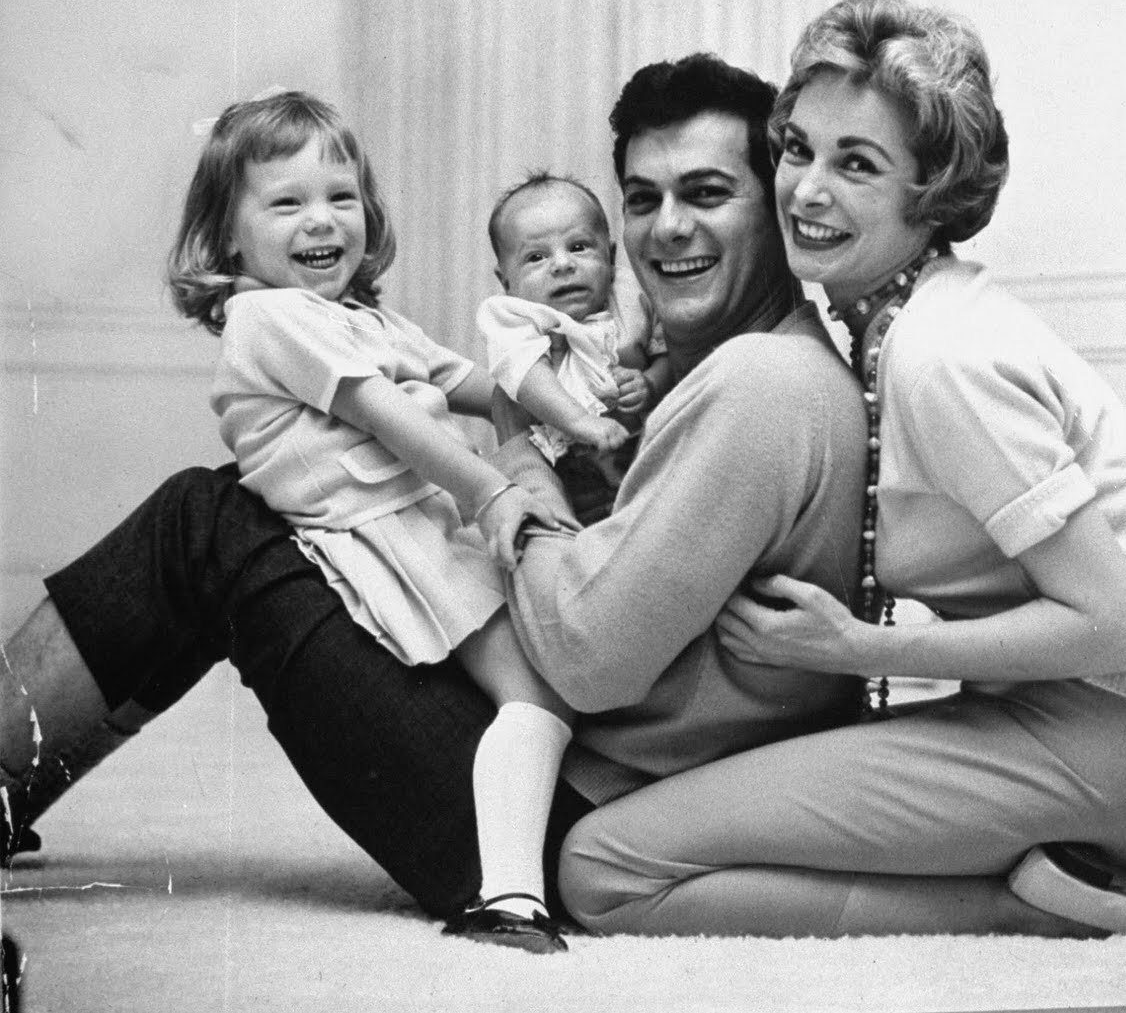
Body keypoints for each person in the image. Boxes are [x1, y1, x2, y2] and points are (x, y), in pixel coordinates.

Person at [0, 55, 866, 935]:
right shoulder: (725, 365)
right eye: (641, 201)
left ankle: (4, 773)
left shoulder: (761, 387)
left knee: (206, 522)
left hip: (547, 803)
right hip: (573, 758)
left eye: (709, 193)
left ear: (779, 200)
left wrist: (516, 462)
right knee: (247, 511)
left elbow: (586, 649)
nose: (667, 229)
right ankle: (10, 785)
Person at [551, 0, 1126, 938]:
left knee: (604, 867)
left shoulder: (940, 356)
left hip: (1122, 738)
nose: (806, 191)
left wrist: (859, 650)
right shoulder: (898, 321)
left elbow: (1116, 625)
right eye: (798, 149)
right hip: (1081, 722)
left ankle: (1037, 909)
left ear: (931, 193)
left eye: (857, 165)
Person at [175, 90, 574, 952]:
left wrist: (566, 401)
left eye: (341, 197)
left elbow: (473, 379)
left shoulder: (362, 317)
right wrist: (491, 490)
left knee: (554, 670)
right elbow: (385, 414)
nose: (322, 220)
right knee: (533, 692)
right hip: (382, 539)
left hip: (424, 520)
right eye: (286, 202)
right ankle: (510, 896)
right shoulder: (267, 316)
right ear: (226, 236)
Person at [478, 172, 669, 524]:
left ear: (610, 257)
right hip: (563, 464)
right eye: (536, 257)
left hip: (642, 452)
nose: (563, 264)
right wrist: (579, 421)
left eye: (579, 247)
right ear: (505, 279)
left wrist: (651, 382)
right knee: (548, 511)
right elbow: (527, 375)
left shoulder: (633, 295)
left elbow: (668, 356)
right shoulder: (515, 317)